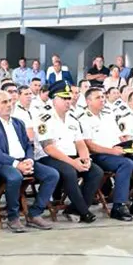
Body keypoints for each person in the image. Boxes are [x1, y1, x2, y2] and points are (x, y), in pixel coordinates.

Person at [0, 90, 57, 232]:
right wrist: (17, 164)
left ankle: (34, 213)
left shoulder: (18, 123)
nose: (9, 105)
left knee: (52, 174)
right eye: (4, 102)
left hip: (23, 160)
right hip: (1, 163)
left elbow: (28, 144)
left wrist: (29, 160)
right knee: (15, 177)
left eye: (10, 101)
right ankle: (13, 217)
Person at [82, 87, 133, 221]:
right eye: (98, 97)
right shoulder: (84, 118)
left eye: (103, 97)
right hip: (99, 155)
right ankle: (118, 206)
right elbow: (90, 145)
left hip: (117, 151)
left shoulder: (108, 115)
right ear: (88, 101)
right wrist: (112, 151)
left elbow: (120, 136)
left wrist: (128, 147)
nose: (102, 100)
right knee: (126, 164)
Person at [34, 80, 102, 223]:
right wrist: (73, 163)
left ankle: (74, 209)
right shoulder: (44, 118)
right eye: (64, 98)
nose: (68, 101)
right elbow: (49, 148)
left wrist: (85, 159)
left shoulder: (72, 118)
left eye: (69, 98)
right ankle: (84, 211)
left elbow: (80, 143)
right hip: (49, 158)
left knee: (96, 172)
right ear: (54, 99)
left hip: (70, 157)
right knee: (69, 172)